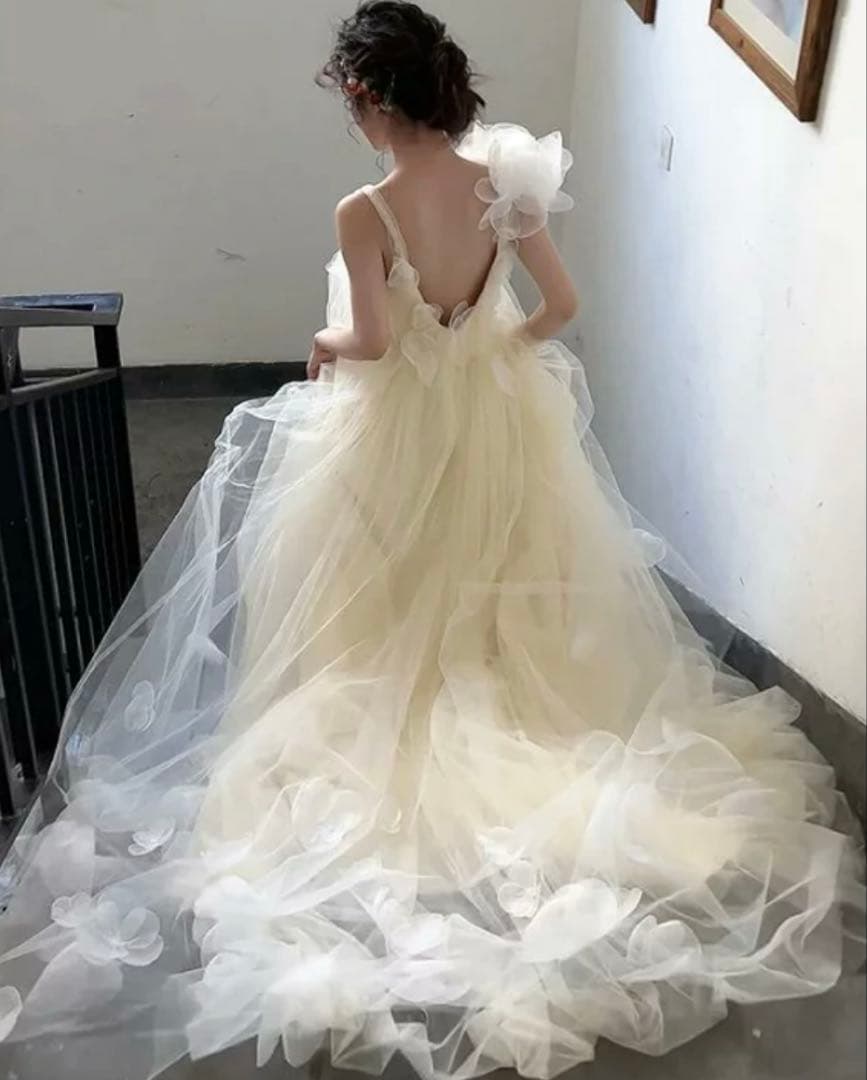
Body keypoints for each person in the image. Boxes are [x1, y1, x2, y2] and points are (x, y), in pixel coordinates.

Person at [0, 3, 862, 1079]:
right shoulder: (502, 181)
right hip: (495, 414)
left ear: (368, 99)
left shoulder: (365, 208)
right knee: (502, 573)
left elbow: (369, 339)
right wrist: (488, 351)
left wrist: (321, 340)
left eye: (349, 103)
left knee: (375, 585)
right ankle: (513, 710)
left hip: (395, 430)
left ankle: (400, 722)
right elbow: (561, 304)